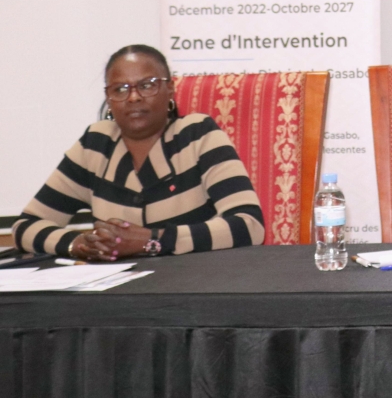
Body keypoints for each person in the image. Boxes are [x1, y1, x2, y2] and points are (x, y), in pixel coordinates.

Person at [13, 45, 265, 260]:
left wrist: (153, 241)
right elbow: (26, 226)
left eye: (147, 85)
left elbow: (248, 225)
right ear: (108, 98)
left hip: (197, 289)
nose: (133, 97)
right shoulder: (96, 145)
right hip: (116, 297)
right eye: (120, 89)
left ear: (170, 89)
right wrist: (79, 243)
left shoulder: (197, 135)